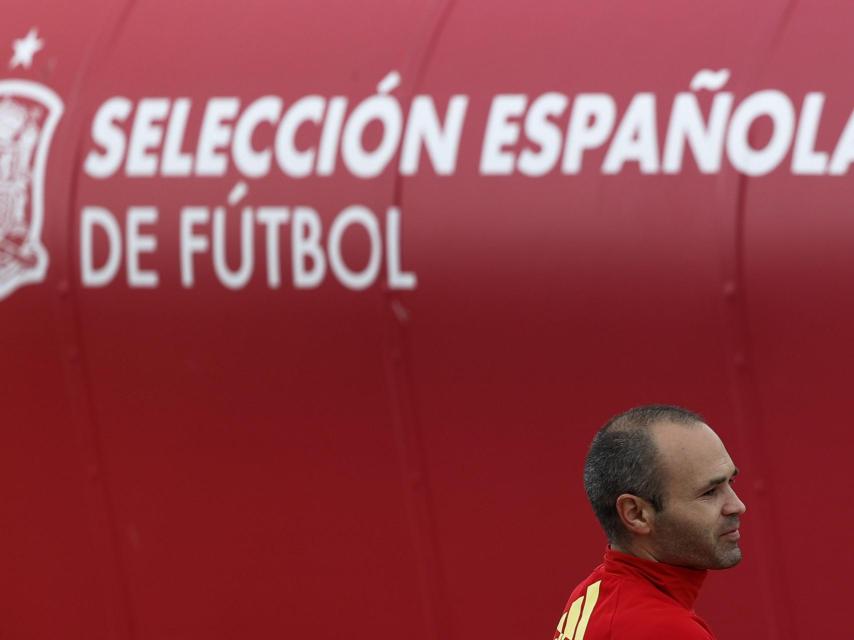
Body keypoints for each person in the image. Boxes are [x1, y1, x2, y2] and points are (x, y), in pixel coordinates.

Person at [552, 405, 746, 640]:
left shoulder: (593, 594)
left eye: (731, 482)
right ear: (636, 514)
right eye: (709, 492)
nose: (737, 506)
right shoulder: (664, 630)